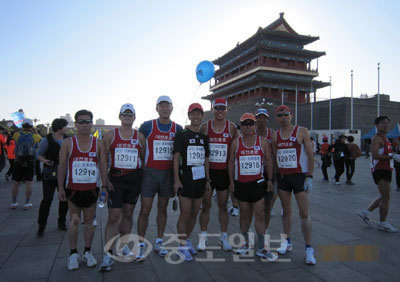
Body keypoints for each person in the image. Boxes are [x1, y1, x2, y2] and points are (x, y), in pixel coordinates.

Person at [58, 109, 108, 270]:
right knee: (73, 221)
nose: (84, 125)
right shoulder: (68, 143)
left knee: (89, 222)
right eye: (81, 122)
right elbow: (62, 166)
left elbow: (103, 165)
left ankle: (87, 252)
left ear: (92, 123)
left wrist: (105, 186)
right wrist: (60, 188)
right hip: (73, 189)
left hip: (91, 190)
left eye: (87, 122)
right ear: (76, 123)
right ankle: (73, 254)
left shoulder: (98, 143)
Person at [99, 104, 145, 271]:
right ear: (120, 116)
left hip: (134, 180)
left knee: (128, 213)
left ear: (134, 117)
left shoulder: (140, 137)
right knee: (113, 216)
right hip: (116, 180)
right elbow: (103, 161)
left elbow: (143, 159)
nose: (127, 116)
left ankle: (124, 245)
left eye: (130, 114)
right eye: (124, 114)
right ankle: (108, 252)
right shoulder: (110, 136)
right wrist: (104, 182)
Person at [136, 95, 183, 261]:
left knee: (162, 209)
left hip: (167, 174)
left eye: (167, 105)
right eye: (161, 106)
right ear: (156, 108)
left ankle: (159, 241)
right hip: (150, 173)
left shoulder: (178, 128)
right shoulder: (147, 126)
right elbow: (140, 148)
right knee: (145, 209)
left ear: (172, 108)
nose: (164, 108)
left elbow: (179, 154)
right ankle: (141, 244)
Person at [228, 113, 277, 261]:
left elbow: (269, 161)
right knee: (244, 214)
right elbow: (230, 162)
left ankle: (262, 247)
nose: (248, 127)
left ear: (255, 126)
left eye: (251, 124)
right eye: (245, 124)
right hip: (242, 184)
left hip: (257, 184)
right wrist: (231, 182)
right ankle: (246, 243)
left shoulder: (262, 142)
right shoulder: (236, 142)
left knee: (260, 214)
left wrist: (269, 179)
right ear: (241, 126)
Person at [272, 105, 316, 265]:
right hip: (283, 177)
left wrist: (310, 176)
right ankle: (287, 241)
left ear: (291, 115)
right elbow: (275, 157)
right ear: (276, 118)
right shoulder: (276, 136)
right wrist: (275, 179)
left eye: (286, 114)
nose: (283, 117)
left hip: (299, 176)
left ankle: (309, 248)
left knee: (304, 213)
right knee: (286, 211)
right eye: (280, 115)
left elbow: (310, 155)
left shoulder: (301, 131)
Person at [197, 98, 237, 251]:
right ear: (213, 109)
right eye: (217, 108)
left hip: (224, 173)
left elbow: (235, 150)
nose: (220, 111)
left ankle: (224, 237)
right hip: (208, 172)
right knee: (206, 205)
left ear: (227, 110)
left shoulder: (232, 128)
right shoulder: (205, 127)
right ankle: (203, 237)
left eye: (223, 108)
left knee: (222, 206)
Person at [173, 103, 211, 261]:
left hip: (200, 179)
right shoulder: (182, 135)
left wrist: (208, 180)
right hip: (185, 178)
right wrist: (176, 179)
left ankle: (187, 240)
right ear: (189, 116)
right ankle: (181, 245)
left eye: (199, 114)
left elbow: (206, 160)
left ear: (202, 116)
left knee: (195, 212)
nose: (196, 117)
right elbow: (175, 158)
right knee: (185, 212)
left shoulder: (204, 138)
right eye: (193, 114)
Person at [359, 116, 398, 233]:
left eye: (387, 123)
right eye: (383, 123)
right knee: (386, 197)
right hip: (380, 170)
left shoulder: (386, 139)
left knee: (385, 195)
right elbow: (375, 155)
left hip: (386, 169)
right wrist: (391, 156)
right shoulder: (376, 138)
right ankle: (383, 223)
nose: (385, 125)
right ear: (377, 125)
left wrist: (394, 156)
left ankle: (366, 212)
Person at [36, 118, 69, 237]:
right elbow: (38, 154)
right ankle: (41, 225)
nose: (67, 128)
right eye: (65, 126)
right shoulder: (47, 139)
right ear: (60, 128)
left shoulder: (67, 140)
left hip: (65, 173)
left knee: (64, 199)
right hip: (50, 173)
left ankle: (62, 221)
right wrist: (44, 160)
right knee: (47, 199)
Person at [254, 108, 277, 233]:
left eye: (264, 117)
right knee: (253, 205)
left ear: (267, 119)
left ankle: (265, 230)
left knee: (268, 205)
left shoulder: (272, 134)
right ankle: (257, 226)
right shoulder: (251, 132)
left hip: (268, 171)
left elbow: (275, 154)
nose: (261, 120)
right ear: (255, 119)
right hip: (253, 171)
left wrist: (274, 176)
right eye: (259, 117)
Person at [11, 119, 42, 209]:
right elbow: (41, 139)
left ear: (22, 126)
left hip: (18, 161)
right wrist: (35, 130)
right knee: (29, 183)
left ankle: (14, 202)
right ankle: (27, 203)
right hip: (30, 162)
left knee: (16, 183)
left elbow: (15, 136)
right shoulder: (35, 136)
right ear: (31, 127)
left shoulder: (16, 135)